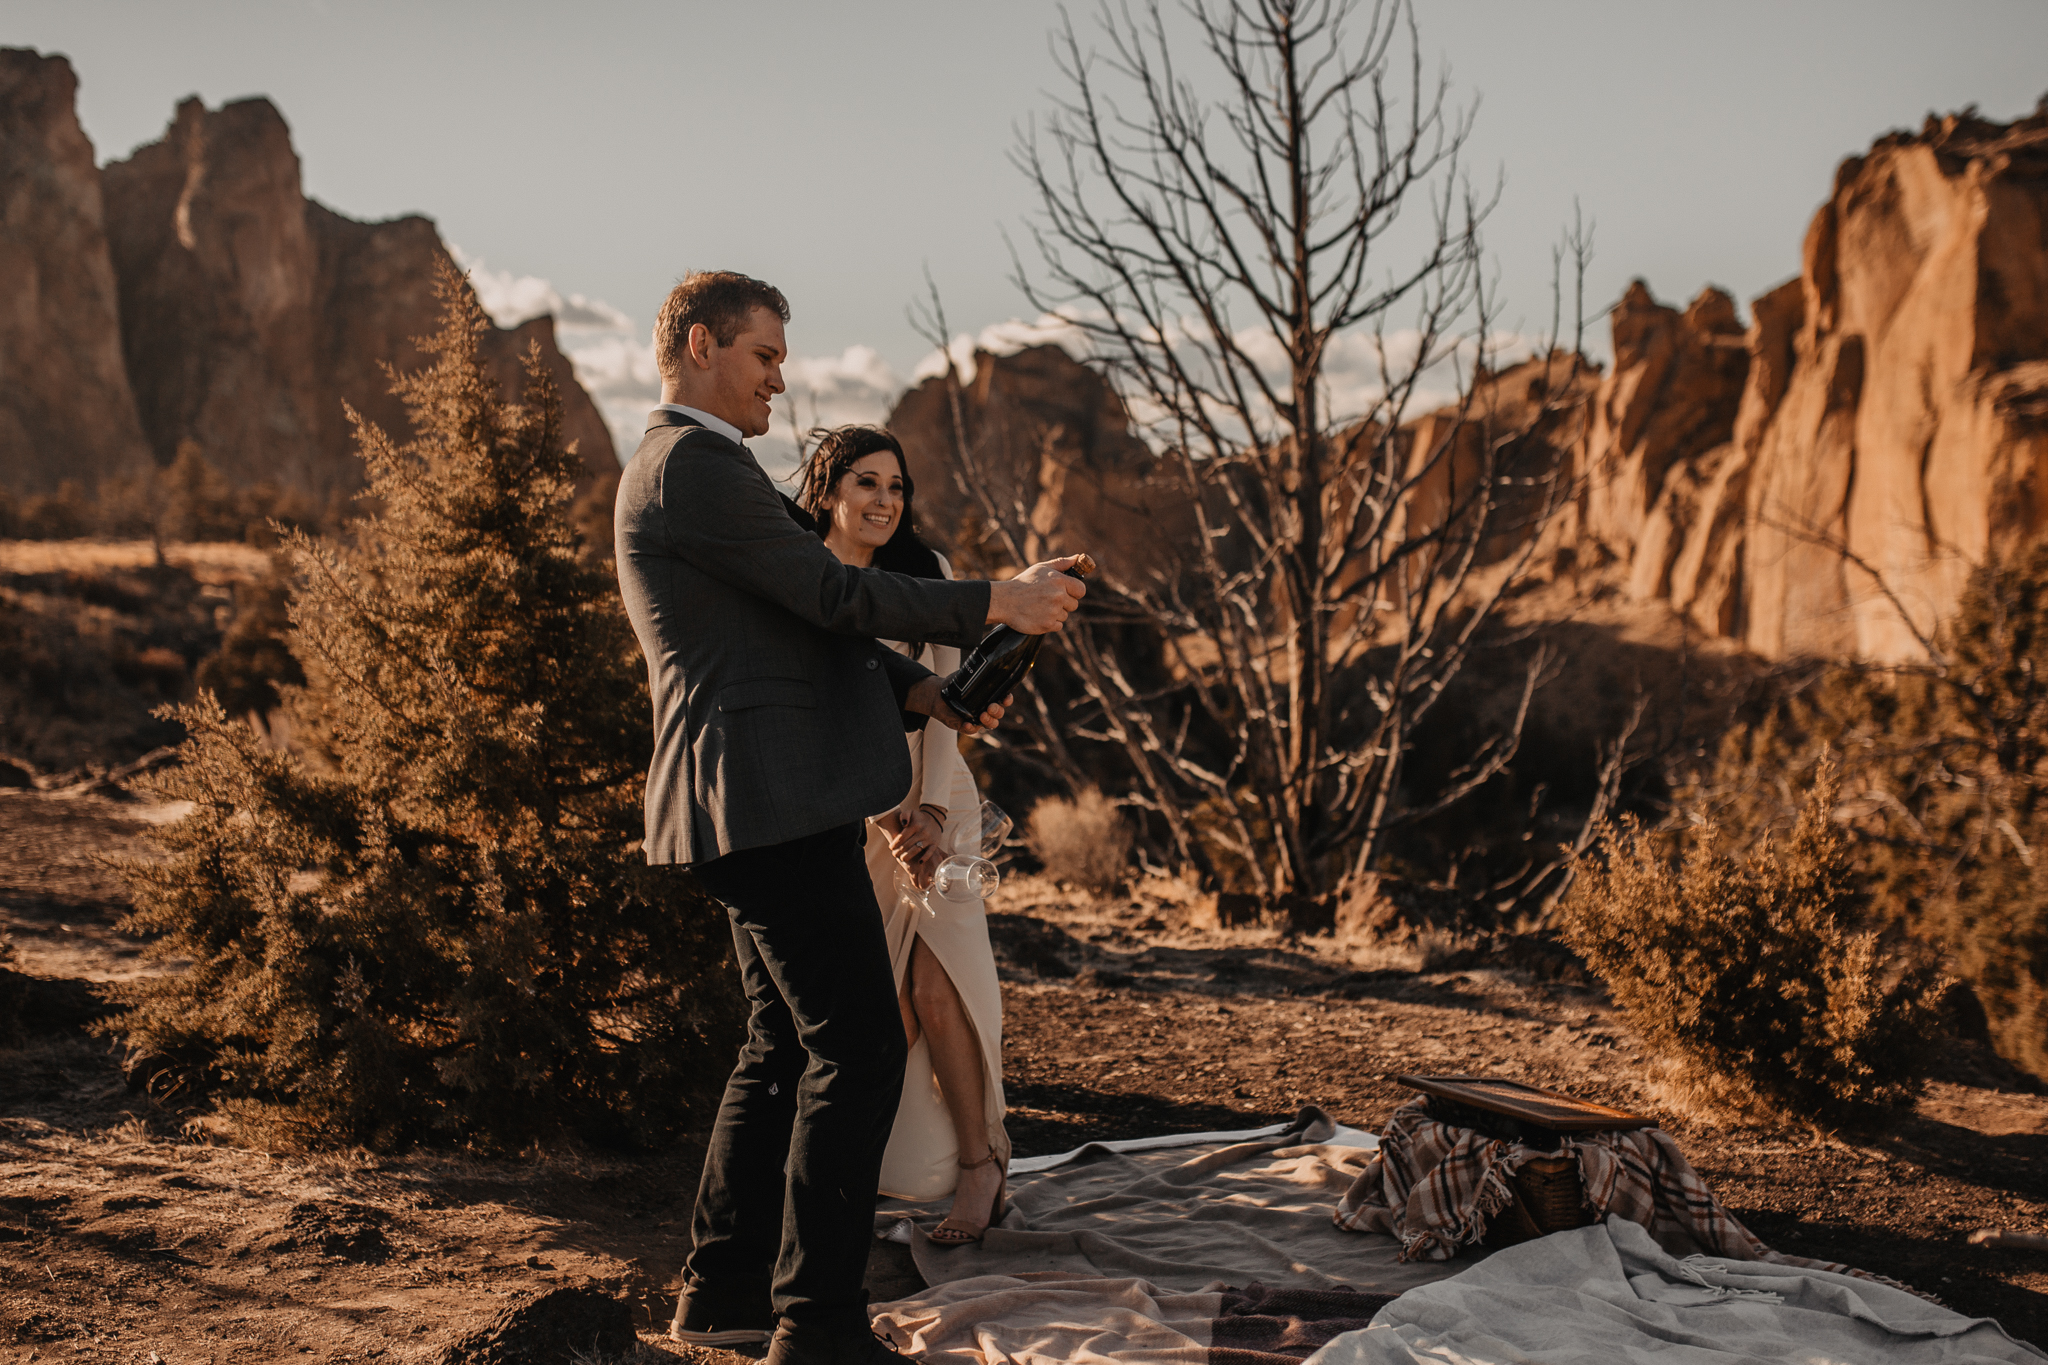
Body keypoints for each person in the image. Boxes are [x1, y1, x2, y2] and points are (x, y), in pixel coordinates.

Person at [612, 270, 1085, 1365]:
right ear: (698, 345)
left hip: (751, 799)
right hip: (765, 802)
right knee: (858, 1046)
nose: (782, 378)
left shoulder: (692, 471)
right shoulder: (692, 466)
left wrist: (926, 691)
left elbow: (800, 631)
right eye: (765, 355)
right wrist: (991, 603)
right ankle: (816, 1327)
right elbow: (829, 596)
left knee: (777, 1046)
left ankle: (722, 1294)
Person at [795, 426, 1009, 1244]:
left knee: (936, 985)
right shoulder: (808, 582)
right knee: (884, 1013)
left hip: (939, 807)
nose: (886, 501)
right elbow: (825, 721)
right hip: (853, 821)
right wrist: (888, 819)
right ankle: (877, 1169)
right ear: (828, 491)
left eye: (897, 485)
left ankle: (981, 1166)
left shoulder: (929, 577)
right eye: (867, 483)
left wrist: (935, 816)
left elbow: (950, 704)